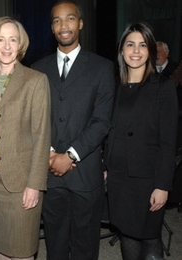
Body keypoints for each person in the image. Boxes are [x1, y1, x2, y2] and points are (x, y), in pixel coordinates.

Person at [31, 1, 115, 259]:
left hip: (84, 173)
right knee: (54, 244)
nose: (63, 25)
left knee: (85, 245)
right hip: (49, 174)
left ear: (80, 23)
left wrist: (70, 156)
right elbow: (34, 119)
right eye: (56, 20)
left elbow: (102, 121)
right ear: (52, 27)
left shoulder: (102, 68)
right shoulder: (38, 69)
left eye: (69, 19)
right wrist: (48, 154)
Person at [0, 16, 51, 260]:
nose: (7, 46)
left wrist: (35, 184)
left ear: (20, 45)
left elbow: (42, 136)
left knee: (21, 250)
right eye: (1, 39)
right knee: (0, 249)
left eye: (13, 40)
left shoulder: (35, 80)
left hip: (20, 184)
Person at [104, 23, 178, 260]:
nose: (136, 51)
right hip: (119, 178)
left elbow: (169, 141)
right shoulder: (113, 86)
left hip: (148, 180)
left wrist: (163, 185)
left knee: (149, 236)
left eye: (142, 45)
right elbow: (109, 130)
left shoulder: (163, 86)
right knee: (127, 232)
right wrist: (105, 165)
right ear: (122, 50)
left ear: (150, 50)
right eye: (130, 44)